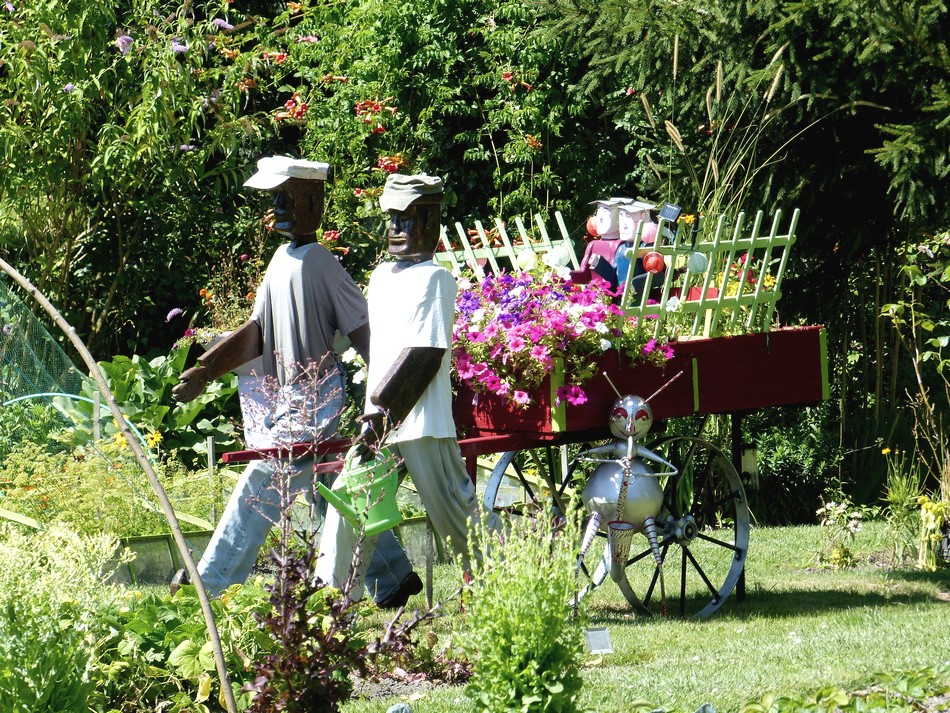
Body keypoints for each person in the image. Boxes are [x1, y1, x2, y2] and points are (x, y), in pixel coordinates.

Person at [171, 156, 421, 607]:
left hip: (314, 396)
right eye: (274, 200)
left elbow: (366, 333)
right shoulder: (282, 260)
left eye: (286, 198)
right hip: (288, 395)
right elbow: (257, 333)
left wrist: (385, 400)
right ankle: (393, 576)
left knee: (264, 480)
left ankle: (211, 583)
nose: (278, 208)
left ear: (312, 201)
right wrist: (206, 369)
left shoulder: (320, 264)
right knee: (326, 487)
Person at [315, 173, 500, 600]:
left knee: (456, 512)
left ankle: (511, 579)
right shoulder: (382, 276)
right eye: (391, 220)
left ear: (430, 220)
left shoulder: (435, 279)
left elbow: (425, 355)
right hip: (381, 420)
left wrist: (381, 416)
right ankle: (331, 597)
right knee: (351, 501)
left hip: (420, 422)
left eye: (405, 219)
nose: (394, 229)